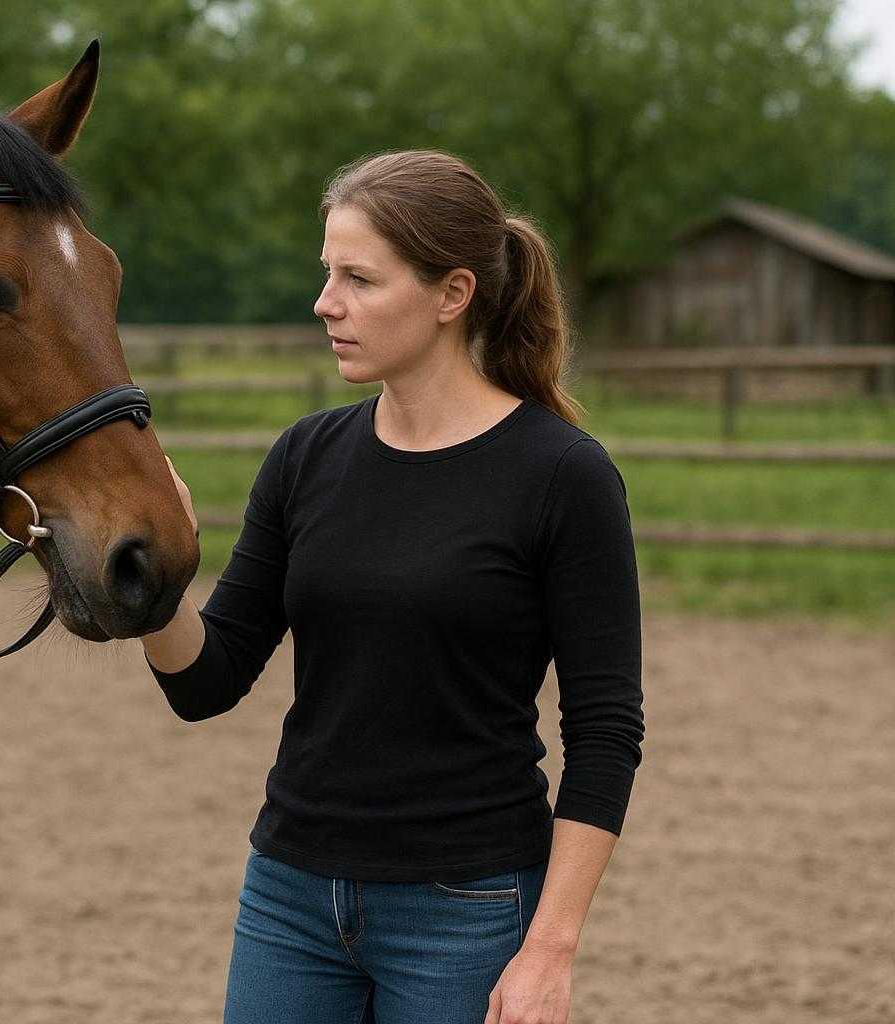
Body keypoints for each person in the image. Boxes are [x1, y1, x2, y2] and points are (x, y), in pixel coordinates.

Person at [140, 149, 645, 1024]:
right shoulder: (305, 457)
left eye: (358, 279)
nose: (324, 303)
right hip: (289, 896)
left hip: (470, 909)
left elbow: (604, 730)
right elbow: (207, 682)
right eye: (326, 273)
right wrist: (156, 576)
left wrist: (550, 949)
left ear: (452, 295)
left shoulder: (563, 474)